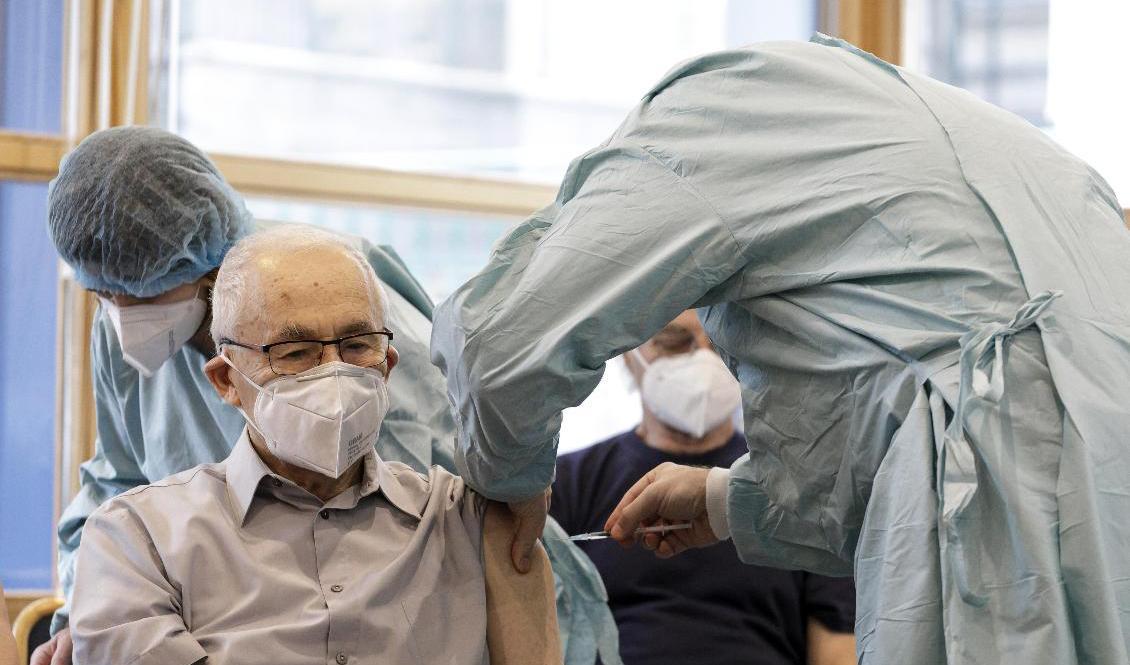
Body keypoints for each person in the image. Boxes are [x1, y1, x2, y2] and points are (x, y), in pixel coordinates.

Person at [431, 35, 1130, 665]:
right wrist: (726, 502)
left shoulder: (692, 130)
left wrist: (511, 485)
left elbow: (499, 350)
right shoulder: (890, 136)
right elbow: (869, 428)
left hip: (1010, 502)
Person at [38, 127, 619, 665]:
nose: (121, 312)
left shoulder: (323, 288)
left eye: (136, 293)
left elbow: (439, 505)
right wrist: (96, 603)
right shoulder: (125, 341)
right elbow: (114, 478)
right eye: (102, 295)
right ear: (224, 379)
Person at [70, 226, 562, 665]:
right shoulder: (138, 540)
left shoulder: (467, 520)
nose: (333, 374)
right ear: (227, 381)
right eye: (294, 352)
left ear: (387, 365)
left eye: (356, 346)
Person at [552, 311, 856, 665]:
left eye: (721, 342)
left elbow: (839, 644)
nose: (702, 357)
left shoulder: (796, 488)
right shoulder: (567, 484)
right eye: (673, 340)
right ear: (626, 353)